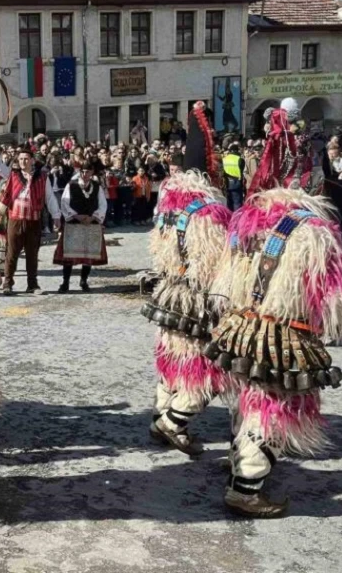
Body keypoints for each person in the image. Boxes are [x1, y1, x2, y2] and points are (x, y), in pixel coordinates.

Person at [205, 97, 342, 518]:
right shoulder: (315, 233)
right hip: (283, 333)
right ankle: (246, 488)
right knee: (272, 408)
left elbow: (222, 285)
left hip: (241, 327)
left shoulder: (249, 223)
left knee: (249, 400)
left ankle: (239, 470)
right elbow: (333, 303)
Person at [142, 101, 233, 457]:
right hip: (197, 299)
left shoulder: (171, 208)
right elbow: (214, 267)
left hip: (170, 293)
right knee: (207, 369)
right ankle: (173, 422)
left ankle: (160, 413)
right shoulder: (211, 214)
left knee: (171, 358)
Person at [0, 145, 61, 295]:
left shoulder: (42, 177)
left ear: (32, 160)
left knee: (32, 254)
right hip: (15, 219)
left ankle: (32, 285)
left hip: (34, 221)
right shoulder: (12, 174)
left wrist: (56, 216)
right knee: (11, 253)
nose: (23, 162)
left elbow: (50, 197)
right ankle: (8, 284)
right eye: (20, 159)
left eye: (26, 159)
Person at [54, 165, 107, 293]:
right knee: (69, 255)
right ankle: (65, 282)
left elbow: (102, 204)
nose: (84, 174)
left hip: (91, 224)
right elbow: (64, 203)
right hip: (74, 224)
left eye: (87, 171)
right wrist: (76, 215)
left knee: (88, 254)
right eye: (82, 171)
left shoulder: (97, 186)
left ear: (92, 172)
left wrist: (93, 217)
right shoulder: (71, 185)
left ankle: (84, 281)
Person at [222, 144, 245, 211]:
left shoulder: (224, 159)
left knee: (229, 201)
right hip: (236, 183)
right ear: (237, 150)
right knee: (237, 202)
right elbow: (242, 169)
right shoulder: (240, 159)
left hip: (226, 183)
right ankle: (237, 218)